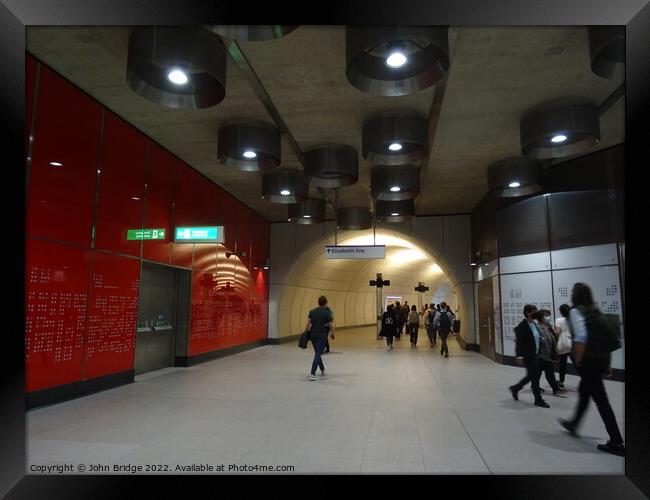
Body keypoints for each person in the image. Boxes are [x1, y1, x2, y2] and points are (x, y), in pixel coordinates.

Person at [559, 283, 625, 457]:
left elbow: (581, 337)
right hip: (600, 360)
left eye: (573, 291)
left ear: (576, 295)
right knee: (584, 391)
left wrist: (578, 361)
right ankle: (573, 424)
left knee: (602, 402)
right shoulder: (595, 311)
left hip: (588, 363)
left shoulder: (575, 311)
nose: (571, 293)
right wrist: (608, 364)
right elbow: (605, 341)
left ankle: (617, 442)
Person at [508, 304, 550, 408]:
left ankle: (515, 388)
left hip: (535, 354)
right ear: (527, 313)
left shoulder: (534, 324)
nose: (535, 313)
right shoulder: (522, 326)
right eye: (533, 311)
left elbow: (535, 337)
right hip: (528, 355)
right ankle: (538, 400)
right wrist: (519, 355)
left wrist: (540, 339)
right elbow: (519, 342)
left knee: (531, 376)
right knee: (535, 377)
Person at [533, 310, 564, 397]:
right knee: (549, 372)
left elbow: (553, 337)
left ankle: (534, 386)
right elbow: (537, 339)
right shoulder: (538, 327)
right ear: (541, 318)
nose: (548, 317)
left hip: (549, 353)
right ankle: (555, 389)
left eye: (548, 315)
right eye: (546, 315)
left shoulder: (549, 326)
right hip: (541, 354)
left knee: (539, 372)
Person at [304, 295, 334, 381]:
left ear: (318, 302)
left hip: (313, 335)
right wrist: (332, 334)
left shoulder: (312, 311)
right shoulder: (326, 313)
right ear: (326, 303)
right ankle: (312, 373)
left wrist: (305, 333)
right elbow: (331, 325)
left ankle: (322, 369)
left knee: (317, 352)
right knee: (318, 354)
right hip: (321, 336)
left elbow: (308, 323)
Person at [555, 304, 574, 390]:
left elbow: (558, 332)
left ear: (561, 312)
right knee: (577, 363)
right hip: (571, 343)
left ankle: (561, 382)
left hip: (562, 344)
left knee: (562, 365)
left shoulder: (559, 320)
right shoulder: (572, 320)